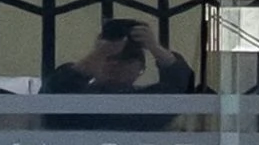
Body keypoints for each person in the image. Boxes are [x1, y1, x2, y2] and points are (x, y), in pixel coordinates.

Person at [45, 17, 201, 93]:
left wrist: (155, 47)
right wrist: (100, 52)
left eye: (126, 58)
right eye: (109, 58)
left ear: (141, 68)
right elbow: (54, 89)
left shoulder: (146, 103)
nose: (115, 64)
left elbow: (183, 87)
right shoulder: (79, 98)